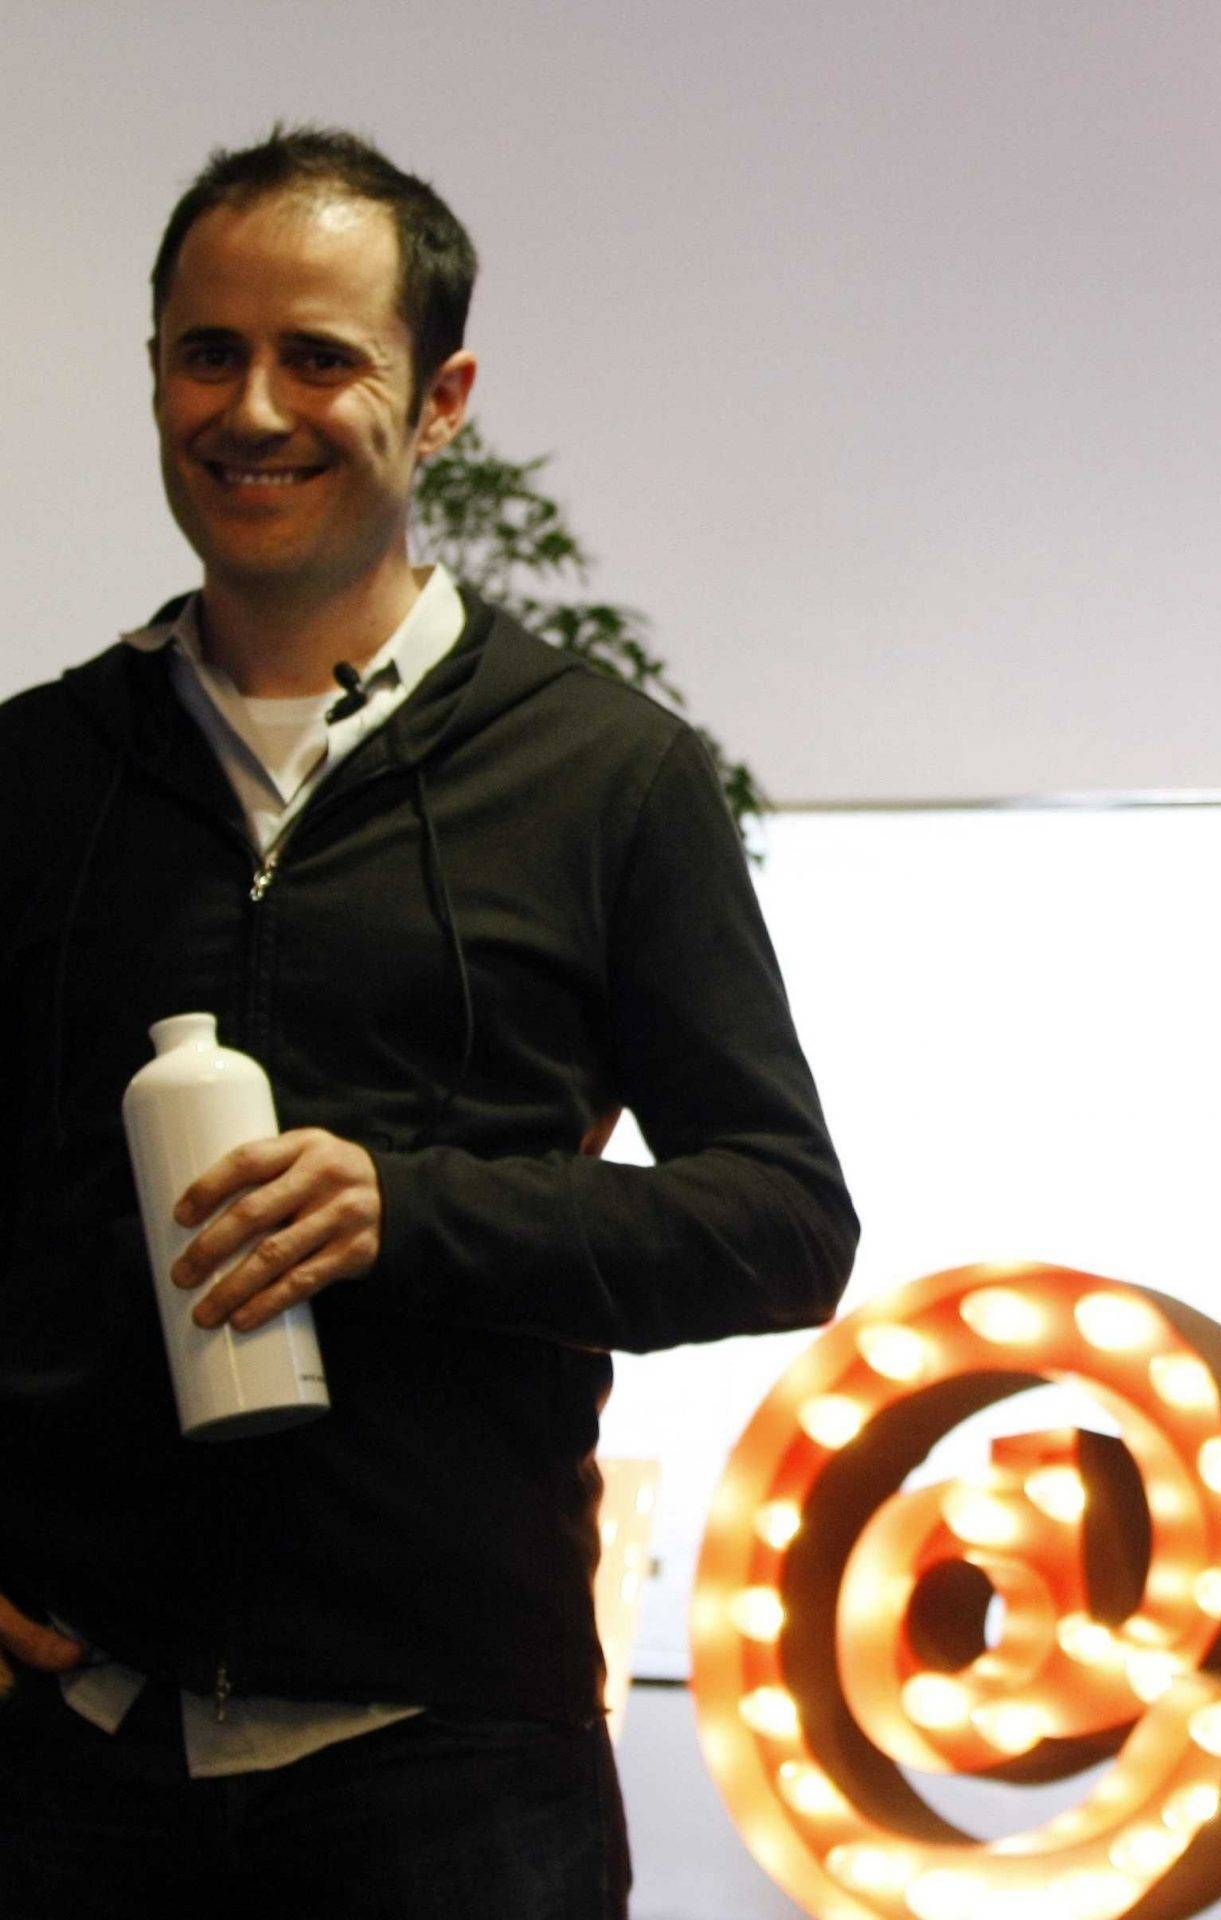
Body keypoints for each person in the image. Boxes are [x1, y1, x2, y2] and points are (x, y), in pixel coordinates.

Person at [0, 128, 857, 1919]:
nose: (254, 409)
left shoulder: (606, 776)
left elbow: (782, 1220)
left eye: (319, 357)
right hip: (69, 1762)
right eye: (209, 353)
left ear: (441, 399)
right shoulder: (35, 776)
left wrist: (409, 1211)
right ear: (153, 374)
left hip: (456, 1769)